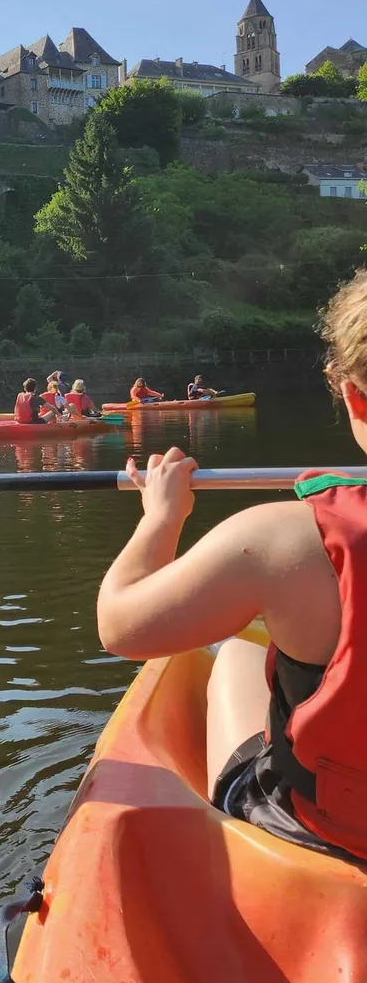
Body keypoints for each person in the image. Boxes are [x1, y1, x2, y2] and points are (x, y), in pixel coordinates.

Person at [96, 268, 367, 863]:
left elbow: (119, 628)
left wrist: (161, 517)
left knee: (239, 652)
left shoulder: (283, 539)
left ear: (352, 397)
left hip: (333, 832)